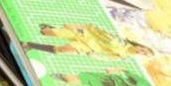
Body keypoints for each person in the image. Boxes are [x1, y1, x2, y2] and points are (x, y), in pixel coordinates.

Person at [22, 24, 154, 59]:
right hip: (83, 34)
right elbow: (97, 30)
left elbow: (107, 58)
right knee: (45, 32)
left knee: (61, 50)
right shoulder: (121, 41)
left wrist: (94, 55)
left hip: (87, 47)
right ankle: (50, 28)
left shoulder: (124, 56)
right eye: (143, 50)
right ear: (141, 46)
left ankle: (30, 45)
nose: (141, 52)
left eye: (144, 54)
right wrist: (76, 26)